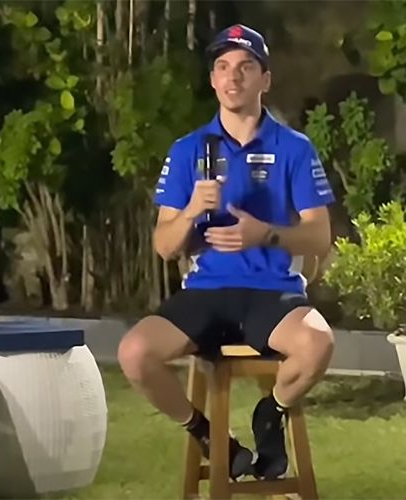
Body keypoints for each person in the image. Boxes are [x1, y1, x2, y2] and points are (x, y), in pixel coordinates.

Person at [117, 24, 336, 481]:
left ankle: (271, 412)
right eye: (222, 67)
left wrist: (265, 235)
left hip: (272, 292)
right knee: (135, 354)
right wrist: (191, 211)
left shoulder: (295, 148)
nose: (233, 77)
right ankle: (208, 435)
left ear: (264, 79)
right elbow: (164, 247)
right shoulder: (188, 151)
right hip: (206, 292)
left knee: (318, 344)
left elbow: (319, 238)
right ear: (213, 80)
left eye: (245, 67)